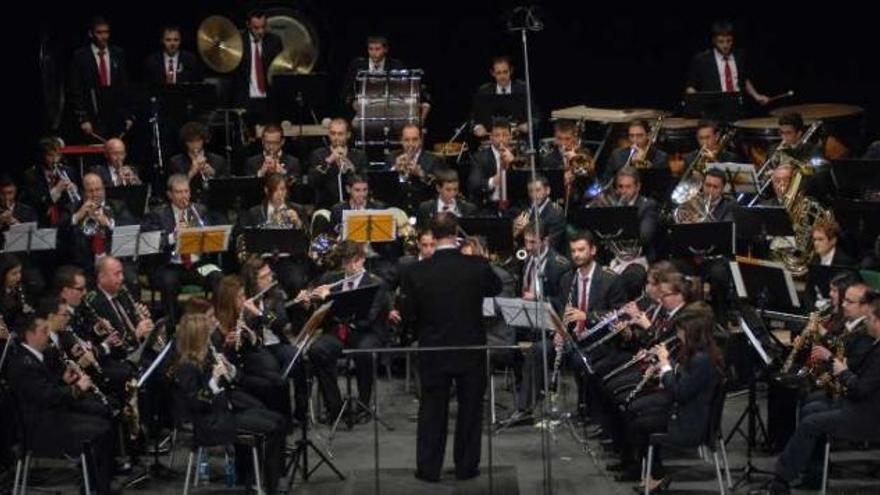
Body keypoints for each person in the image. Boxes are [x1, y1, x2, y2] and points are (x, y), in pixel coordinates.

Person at [400, 213, 502, 481]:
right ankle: (466, 467)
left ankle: (428, 468)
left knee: (432, 410)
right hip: (470, 348)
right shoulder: (476, 266)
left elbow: (408, 313)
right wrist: (479, 255)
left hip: (433, 349)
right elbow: (496, 286)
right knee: (470, 410)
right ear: (456, 231)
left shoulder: (416, 271)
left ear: (432, 235)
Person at [168, 313, 286, 493]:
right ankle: (268, 486)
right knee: (272, 428)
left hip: (225, 410)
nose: (210, 336)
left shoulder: (206, 357)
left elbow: (231, 383)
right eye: (206, 334)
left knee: (278, 420)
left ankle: (260, 480)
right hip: (210, 423)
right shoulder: (187, 367)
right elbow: (196, 404)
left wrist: (228, 370)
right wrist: (214, 381)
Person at [685, 20, 769, 105]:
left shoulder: (739, 56)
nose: (725, 46)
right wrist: (695, 101)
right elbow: (691, 87)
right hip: (714, 109)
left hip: (738, 107)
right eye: (721, 42)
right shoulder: (702, 60)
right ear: (714, 41)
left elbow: (744, 79)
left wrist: (756, 96)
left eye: (729, 41)